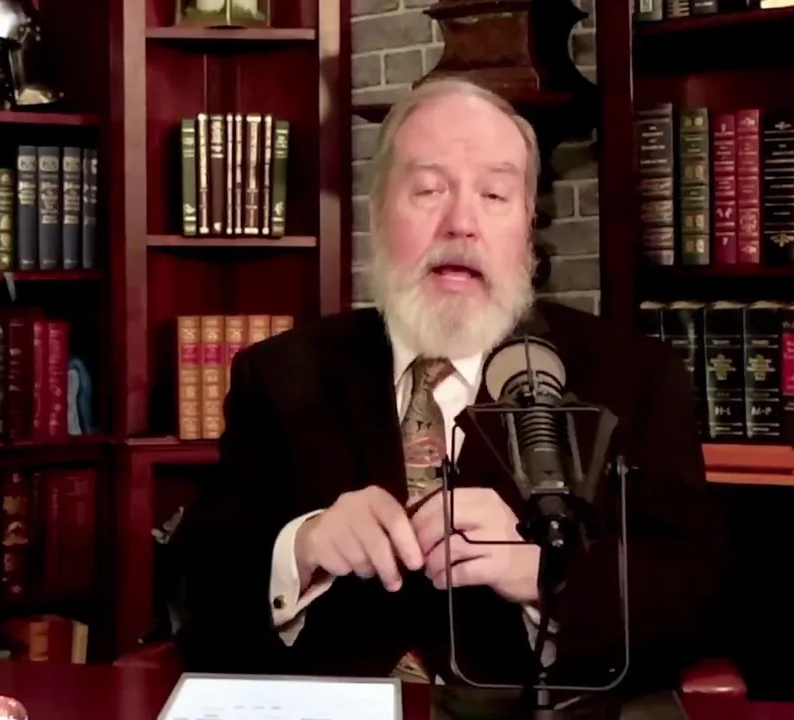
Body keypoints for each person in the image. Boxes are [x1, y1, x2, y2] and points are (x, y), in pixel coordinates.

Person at [169, 77, 730, 692]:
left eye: (494, 195)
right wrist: (301, 547)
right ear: (378, 215)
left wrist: (544, 574)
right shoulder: (279, 374)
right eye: (429, 190)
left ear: (526, 228)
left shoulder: (633, 376)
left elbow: (698, 596)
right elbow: (196, 591)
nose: (461, 223)